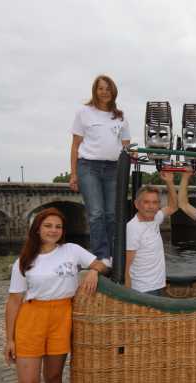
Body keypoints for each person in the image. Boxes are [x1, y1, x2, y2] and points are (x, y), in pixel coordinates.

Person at [5, 208, 106, 383]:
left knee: (52, 376)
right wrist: (9, 339)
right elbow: (13, 302)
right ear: (37, 229)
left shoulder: (71, 250)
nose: (53, 230)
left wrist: (92, 271)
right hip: (31, 318)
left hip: (62, 316)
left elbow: (102, 263)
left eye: (58, 227)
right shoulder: (24, 260)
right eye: (48, 226)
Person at [69, 74, 131, 265]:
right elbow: (75, 145)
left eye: (108, 88)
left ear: (114, 92)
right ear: (95, 91)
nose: (105, 92)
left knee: (113, 214)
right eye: (101, 88)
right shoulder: (84, 112)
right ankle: (101, 256)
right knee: (96, 213)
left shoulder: (120, 117)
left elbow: (126, 147)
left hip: (113, 168)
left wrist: (125, 172)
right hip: (89, 167)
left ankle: (114, 255)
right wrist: (73, 174)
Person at [125, 172, 178, 295]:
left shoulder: (155, 218)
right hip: (144, 290)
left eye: (155, 203)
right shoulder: (133, 228)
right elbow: (126, 266)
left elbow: (173, 207)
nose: (151, 207)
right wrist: (128, 296)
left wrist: (169, 182)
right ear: (137, 204)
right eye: (146, 202)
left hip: (159, 285)